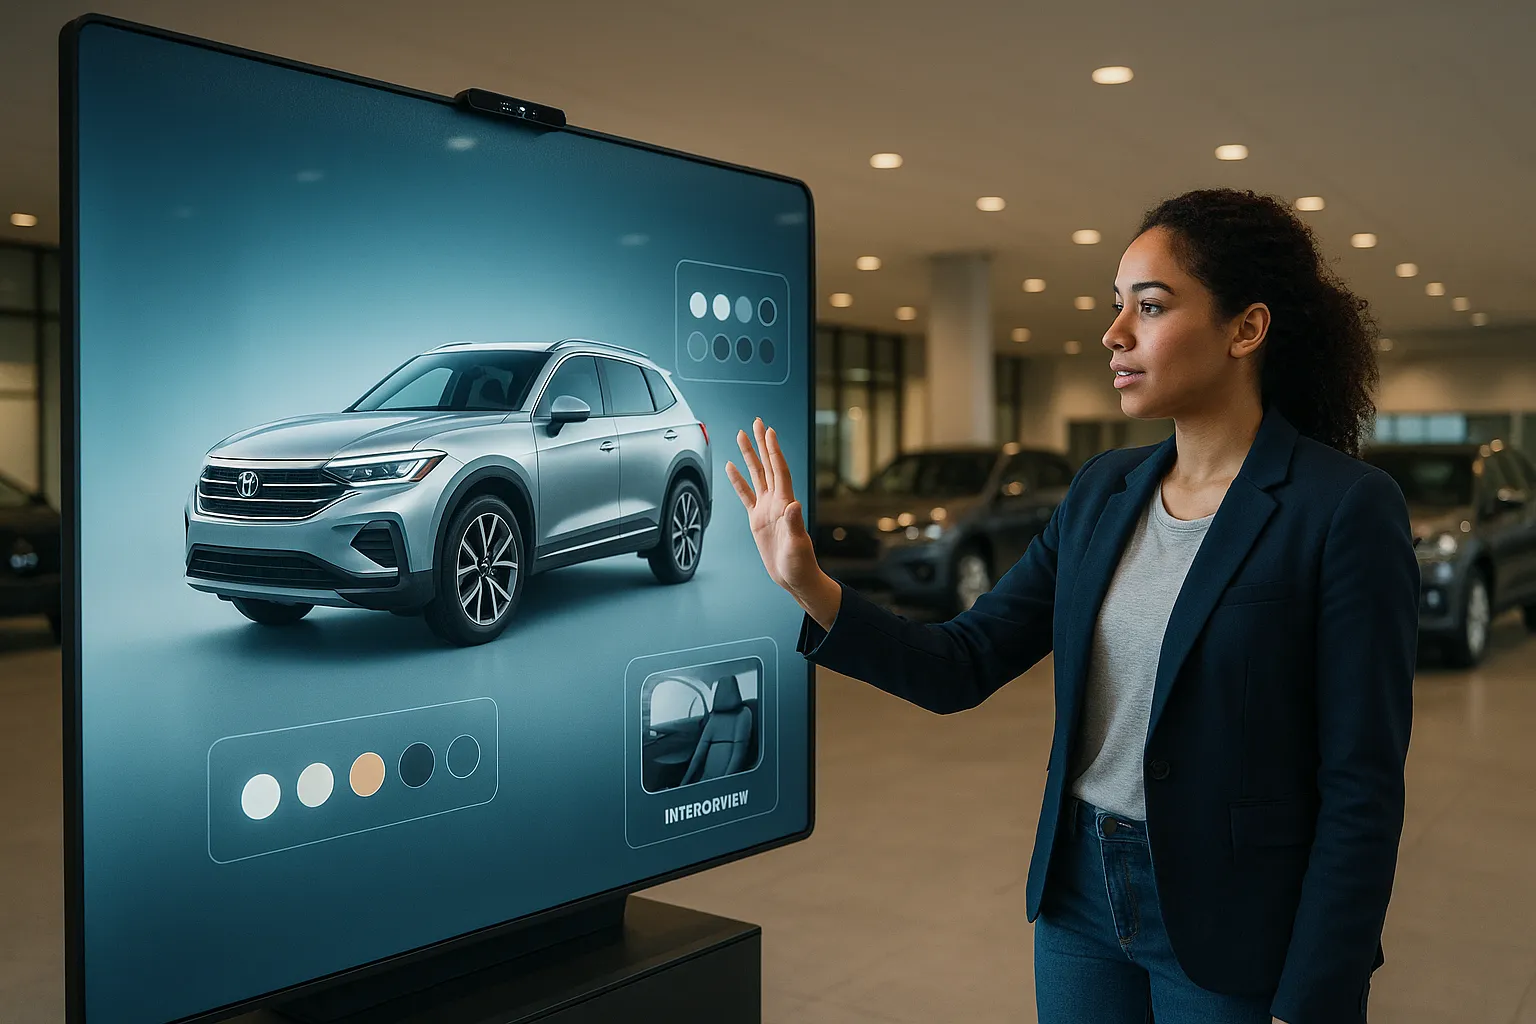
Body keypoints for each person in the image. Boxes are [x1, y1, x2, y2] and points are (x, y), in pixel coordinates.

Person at [726, 188, 1418, 1024]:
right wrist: (810, 582)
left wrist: (1316, 995)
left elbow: (1361, 785)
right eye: (1116, 306)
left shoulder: (1343, 508)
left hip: (1237, 919)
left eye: (1150, 307)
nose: (1114, 334)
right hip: (1080, 897)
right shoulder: (1102, 492)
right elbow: (961, 664)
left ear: (1247, 329)